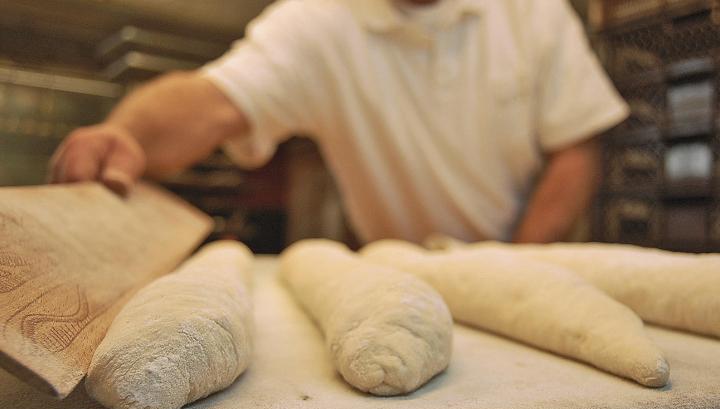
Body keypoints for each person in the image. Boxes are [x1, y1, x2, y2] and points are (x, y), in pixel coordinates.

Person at [49, 0, 628, 245]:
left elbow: (576, 146)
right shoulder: (322, 21)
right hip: (400, 273)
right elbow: (212, 102)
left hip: (528, 262)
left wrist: (515, 267)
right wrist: (126, 137)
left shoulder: (531, 11)